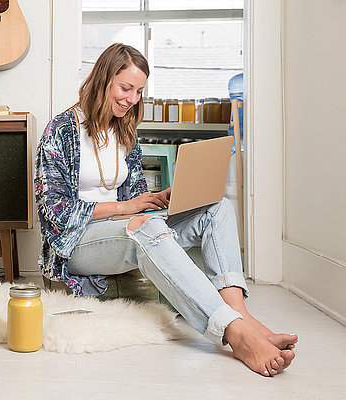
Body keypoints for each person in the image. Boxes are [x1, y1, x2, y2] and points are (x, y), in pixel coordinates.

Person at [35, 43, 297, 376]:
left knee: (218, 208)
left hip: (123, 229)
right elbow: (55, 212)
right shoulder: (61, 129)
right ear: (103, 81)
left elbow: (137, 199)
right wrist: (126, 207)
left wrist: (161, 199)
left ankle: (239, 313)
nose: (132, 99)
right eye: (125, 88)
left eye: (139, 91)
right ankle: (235, 334)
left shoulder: (123, 129)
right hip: (75, 244)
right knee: (144, 228)